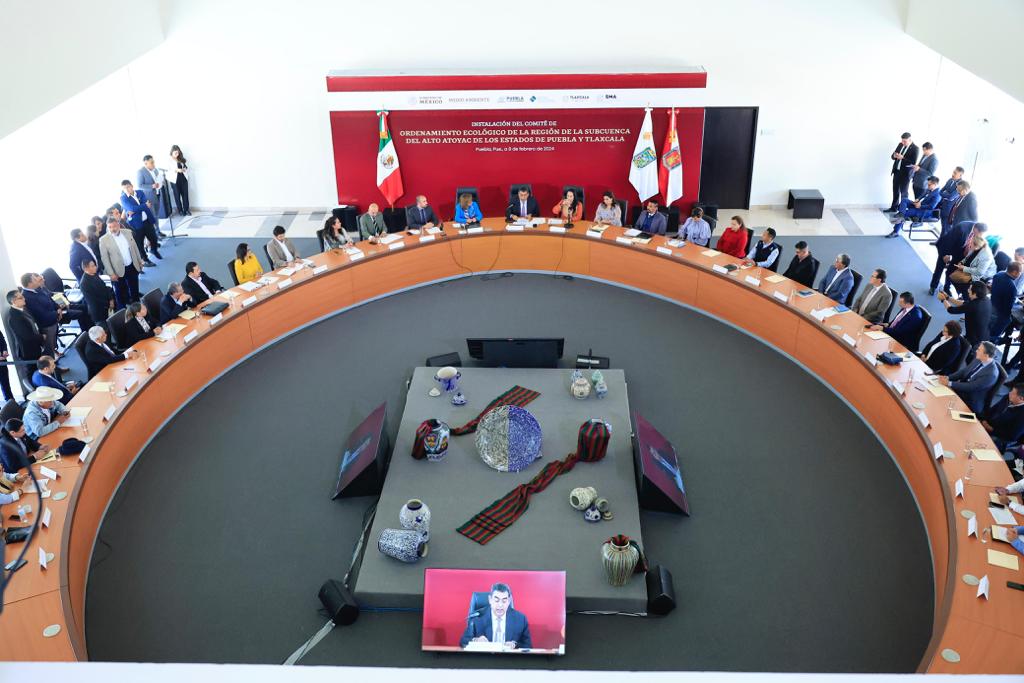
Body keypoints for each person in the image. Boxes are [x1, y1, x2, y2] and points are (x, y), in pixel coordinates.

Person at [459, 583, 532, 650]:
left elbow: (528, 646)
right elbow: (463, 641)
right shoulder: (477, 618)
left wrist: (514, 645)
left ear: (509, 601)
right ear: (490, 600)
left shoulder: (520, 619)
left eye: (504, 601)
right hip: (484, 658)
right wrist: (476, 640)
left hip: (509, 659)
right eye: (496, 600)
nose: (500, 605)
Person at [938, 341, 1000, 415]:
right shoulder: (979, 358)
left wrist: (949, 383)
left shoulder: (991, 374)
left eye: (979, 350)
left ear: (986, 355)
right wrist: (948, 377)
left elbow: (971, 387)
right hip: (960, 390)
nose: (976, 351)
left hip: (970, 400)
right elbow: (964, 371)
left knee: (944, 410)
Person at [99, 216, 145, 307]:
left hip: (132, 265)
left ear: (119, 225)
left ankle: (137, 305)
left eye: (114, 226)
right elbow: (105, 258)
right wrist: (111, 273)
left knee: (134, 287)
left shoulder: (128, 232)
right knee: (120, 292)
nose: (112, 229)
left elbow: (134, 247)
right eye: (110, 227)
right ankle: (123, 309)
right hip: (117, 270)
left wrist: (140, 261)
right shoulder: (103, 240)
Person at [929, 219, 977, 296]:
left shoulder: (977, 233)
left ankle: (946, 288)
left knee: (952, 270)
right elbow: (948, 242)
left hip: (959, 250)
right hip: (947, 248)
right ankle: (933, 286)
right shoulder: (962, 228)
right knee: (939, 267)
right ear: (976, 229)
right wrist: (946, 255)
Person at [119, 179, 161, 265]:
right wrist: (143, 206)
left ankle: (154, 250)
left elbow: (142, 205)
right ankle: (145, 259)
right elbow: (132, 208)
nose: (126, 190)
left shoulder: (140, 192)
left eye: (128, 187)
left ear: (132, 186)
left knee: (154, 238)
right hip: (136, 224)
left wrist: (136, 209)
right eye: (124, 188)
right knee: (140, 243)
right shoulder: (123, 198)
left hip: (147, 220)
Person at [19, 273, 61, 357]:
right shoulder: (27, 297)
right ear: (29, 283)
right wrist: (56, 313)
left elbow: (49, 299)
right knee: (49, 350)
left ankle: (54, 362)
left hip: (53, 318)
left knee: (52, 345)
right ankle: (51, 364)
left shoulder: (37, 288)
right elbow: (41, 314)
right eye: (35, 279)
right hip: (46, 325)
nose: (37, 280)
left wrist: (58, 308)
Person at [941, 281, 993, 349]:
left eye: (970, 289)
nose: (968, 290)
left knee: (966, 351)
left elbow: (951, 310)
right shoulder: (986, 299)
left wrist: (943, 300)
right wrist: (948, 298)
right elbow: (964, 303)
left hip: (975, 340)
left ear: (975, 293)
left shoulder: (973, 306)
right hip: (985, 334)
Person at [4, 289, 45, 362]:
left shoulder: (23, 308)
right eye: (21, 298)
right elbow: (26, 335)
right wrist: (42, 337)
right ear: (14, 301)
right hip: (28, 350)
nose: (24, 298)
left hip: (36, 344)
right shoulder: (13, 317)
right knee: (33, 368)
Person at [981, 383, 1024, 450]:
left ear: (1021, 399)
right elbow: (993, 409)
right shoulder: (1008, 397)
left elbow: (1012, 436)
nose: (1009, 393)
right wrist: (984, 420)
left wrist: (991, 429)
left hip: (999, 436)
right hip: (989, 424)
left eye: (1013, 393)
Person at [887, 132, 918, 212]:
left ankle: (902, 211)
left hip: (906, 174)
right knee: (895, 191)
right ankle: (894, 208)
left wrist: (903, 158)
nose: (903, 143)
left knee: (904, 192)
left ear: (910, 140)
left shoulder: (915, 148)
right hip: (897, 171)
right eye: (902, 141)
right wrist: (894, 156)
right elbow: (893, 156)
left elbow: (913, 162)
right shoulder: (900, 144)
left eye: (905, 141)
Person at [989, 262, 1021, 341]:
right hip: (999, 313)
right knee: (1008, 321)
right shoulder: (1012, 287)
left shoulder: (998, 274)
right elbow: (1008, 308)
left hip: (991, 305)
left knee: (987, 330)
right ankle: (1002, 340)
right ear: (1014, 272)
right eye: (1020, 272)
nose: (1020, 274)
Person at [79, 259, 114, 327]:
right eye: (92, 266)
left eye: (94, 265)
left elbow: (105, 287)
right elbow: (93, 301)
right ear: (86, 268)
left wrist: (111, 299)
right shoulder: (84, 284)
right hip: (99, 313)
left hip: (107, 306)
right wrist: (108, 304)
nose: (95, 267)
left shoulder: (94, 274)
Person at [137, 155, 170, 223]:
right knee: (152, 215)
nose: (153, 164)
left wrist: (161, 182)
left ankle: (157, 228)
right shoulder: (141, 171)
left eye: (153, 162)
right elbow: (140, 185)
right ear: (146, 163)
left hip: (157, 194)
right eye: (151, 162)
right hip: (149, 197)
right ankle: (155, 229)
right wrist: (152, 186)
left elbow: (158, 180)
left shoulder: (155, 170)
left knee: (157, 214)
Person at [167, 145, 191, 216]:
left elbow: (185, 167)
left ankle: (186, 210)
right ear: (172, 152)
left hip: (183, 179)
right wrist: (176, 170)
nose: (177, 154)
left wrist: (184, 169)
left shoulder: (180, 159)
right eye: (175, 153)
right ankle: (180, 210)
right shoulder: (169, 160)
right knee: (177, 195)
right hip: (174, 180)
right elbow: (167, 171)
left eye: (178, 153)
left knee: (185, 195)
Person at [0, 329, 13, 402]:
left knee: (5, 384)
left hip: (2, 361)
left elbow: (2, 339)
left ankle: (11, 403)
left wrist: (4, 350)